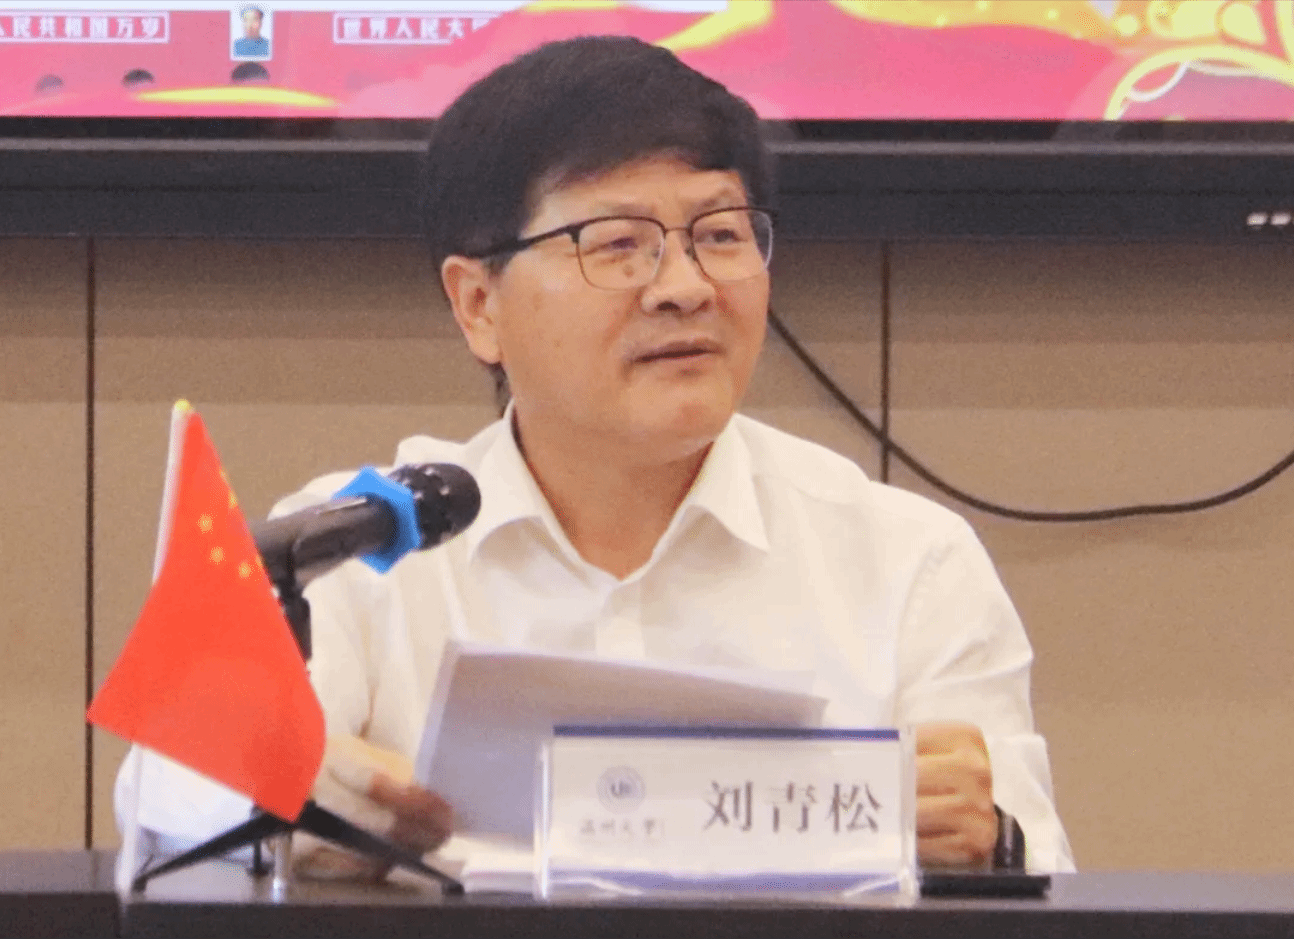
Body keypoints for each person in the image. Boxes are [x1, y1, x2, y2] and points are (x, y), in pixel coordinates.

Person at [119, 35, 1073, 879]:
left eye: (721, 234)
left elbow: (1038, 874)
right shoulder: (353, 545)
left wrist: (990, 841)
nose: (684, 286)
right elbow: (166, 795)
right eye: (616, 244)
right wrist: (285, 781)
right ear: (478, 305)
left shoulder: (907, 560)